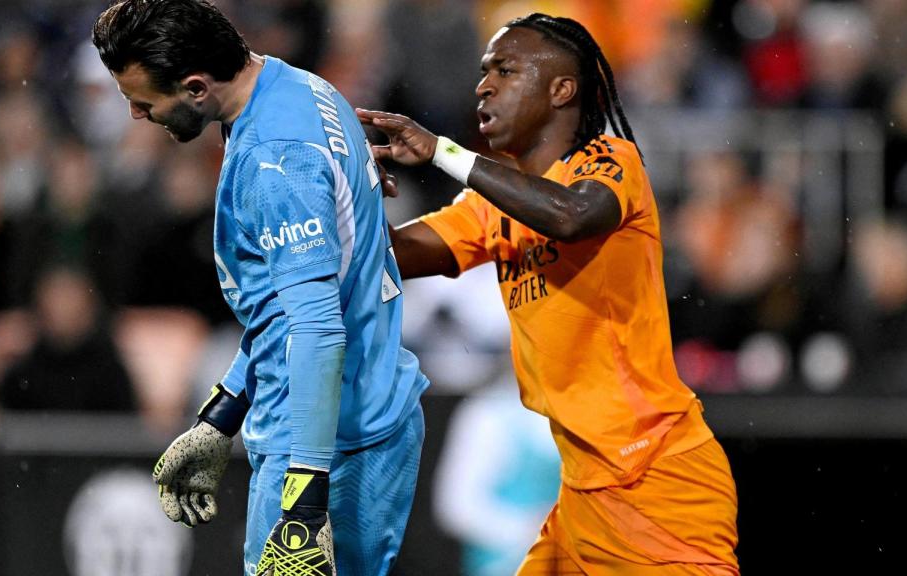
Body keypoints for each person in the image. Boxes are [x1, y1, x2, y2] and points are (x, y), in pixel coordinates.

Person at [358, 13, 739, 575]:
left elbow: (570, 215)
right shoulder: (491, 206)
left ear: (562, 89)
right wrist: (338, 202)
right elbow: (381, 257)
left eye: (506, 70)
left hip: (655, 478)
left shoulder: (610, 161)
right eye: (484, 72)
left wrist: (445, 153)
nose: (484, 85)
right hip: (582, 490)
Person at [92, 2, 429, 575]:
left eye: (145, 102)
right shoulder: (296, 86)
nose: (135, 114)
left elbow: (318, 330)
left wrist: (303, 506)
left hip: (328, 444)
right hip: (366, 417)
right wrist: (223, 413)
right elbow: (291, 308)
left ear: (197, 87)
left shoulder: (274, 160)